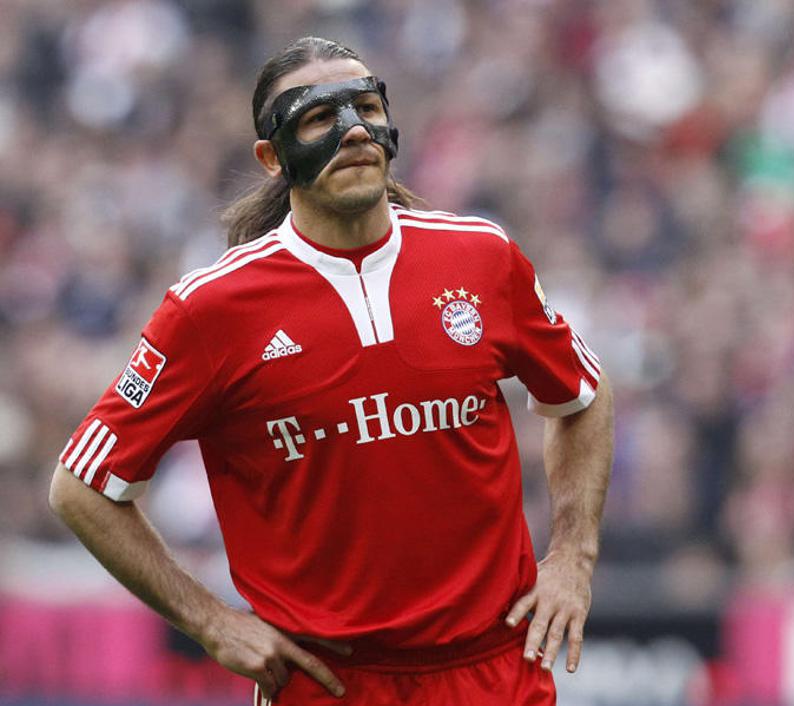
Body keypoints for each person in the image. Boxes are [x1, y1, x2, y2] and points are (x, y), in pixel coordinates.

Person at [48, 36, 613, 706]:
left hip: (495, 671)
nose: (353, 131)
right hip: (328, 684)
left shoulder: (481, 258)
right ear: (272, 157)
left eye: (366, 108)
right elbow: (82, 487)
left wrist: (573, 557)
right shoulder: (211, 309)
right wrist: (210, 622)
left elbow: (582, 396)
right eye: (318, 118)